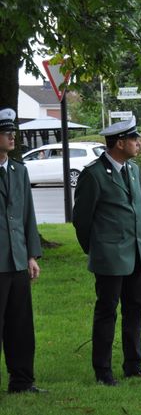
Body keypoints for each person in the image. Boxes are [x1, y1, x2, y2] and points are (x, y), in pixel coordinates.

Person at [73, 116, 141, 386]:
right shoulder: (94, 174)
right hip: (109, 257)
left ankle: (134, 365)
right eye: (134, 139)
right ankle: (103, 371)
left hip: (136, 255)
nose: (139, 143)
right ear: (119, 143)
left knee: (135, 310)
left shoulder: (133, 170)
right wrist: (96, 250)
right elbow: (82, 219)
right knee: (107, 312)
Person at [0, 108, 46, 394]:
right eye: (6, 132)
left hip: (17, 259)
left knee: (20, 327)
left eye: (13, 132)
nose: (12, 136)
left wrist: (31, 255)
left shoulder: (19, 170)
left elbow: (28, 214)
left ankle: (22, 381)